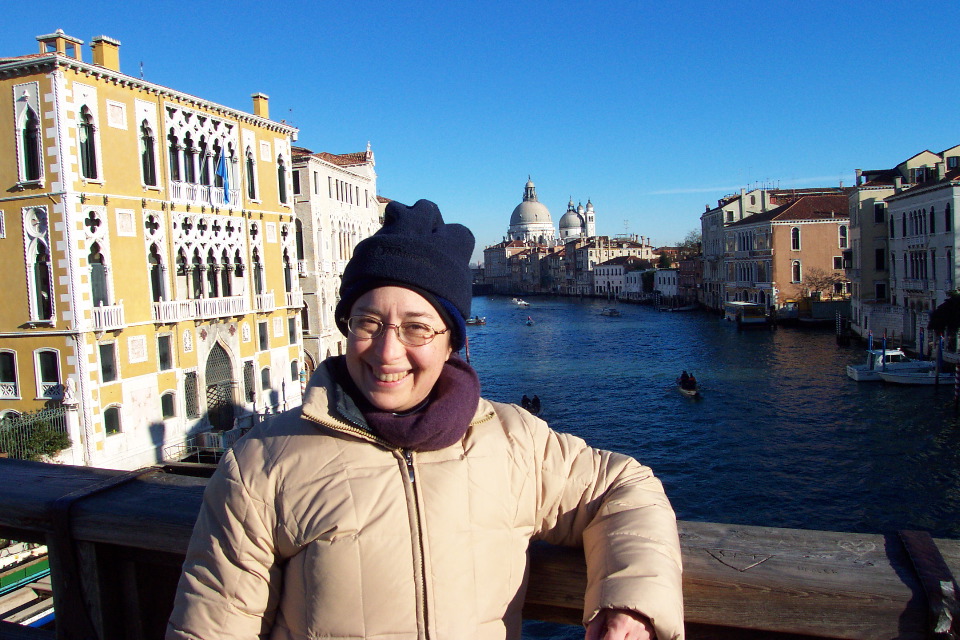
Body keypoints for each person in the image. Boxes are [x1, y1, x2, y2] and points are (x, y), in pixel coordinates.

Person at [166, 200, 684, 640]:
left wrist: (631, 603)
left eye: (417, 328)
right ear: (346, 327)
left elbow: (625, 487)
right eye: (369, 322)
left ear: (453, 342)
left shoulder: (514, 443)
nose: (388, 352)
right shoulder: (261, 466)